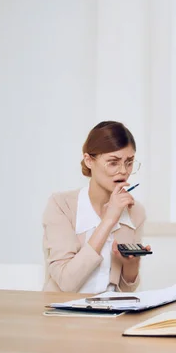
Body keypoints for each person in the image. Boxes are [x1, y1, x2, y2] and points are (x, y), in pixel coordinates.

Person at [42, 121, 149, 292]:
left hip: (111, 314)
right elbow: (66, 282)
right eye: (113, 162)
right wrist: (108, 220)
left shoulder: (135, 211)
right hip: (64, 314)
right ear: (89, 160)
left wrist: (131, 266)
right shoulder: (61, 205)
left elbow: (125, 291)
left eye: (129, 162)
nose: (123, 170)